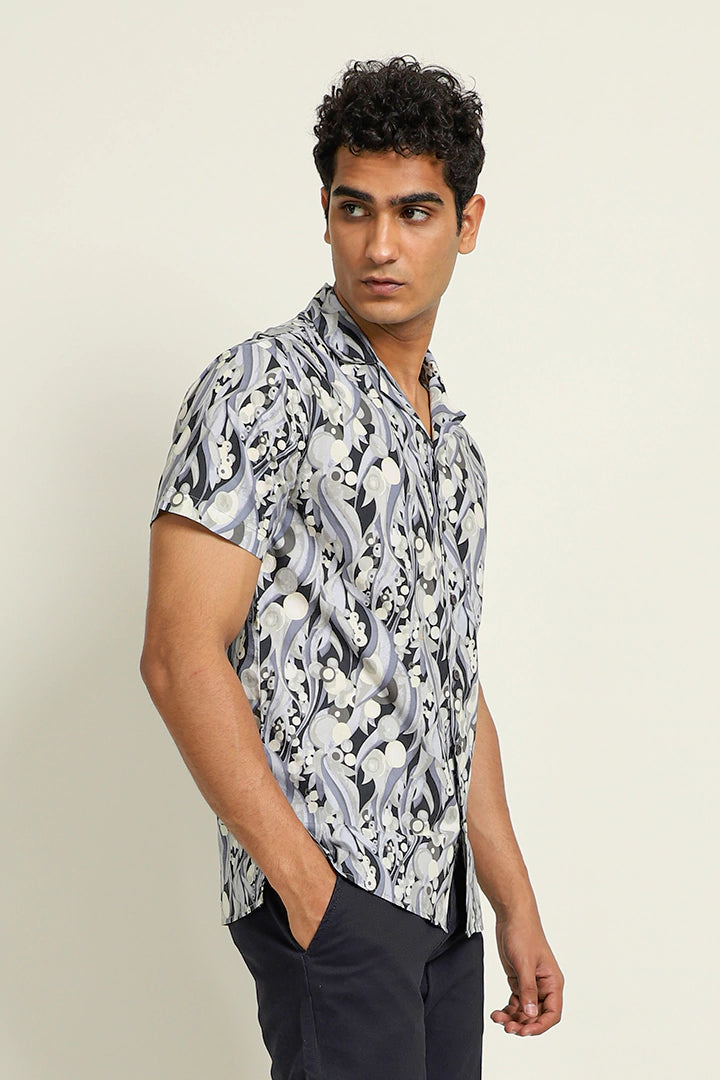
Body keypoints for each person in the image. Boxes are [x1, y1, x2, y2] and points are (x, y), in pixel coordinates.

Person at [140, 55, 563, 1079]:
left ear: (466, 222)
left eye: (415, 212)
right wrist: (310, 891)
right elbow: (178, 656)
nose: (380, 245)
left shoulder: (455, 450)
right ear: (325, 214)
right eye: (354, 208)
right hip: (337, 903)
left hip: (443, 915)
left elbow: (450, 684)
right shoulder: (262, 386)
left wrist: (513, 901)